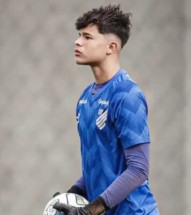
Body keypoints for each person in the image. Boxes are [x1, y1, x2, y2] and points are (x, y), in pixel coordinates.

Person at [53, 4, 159, 215]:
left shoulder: (127, 96)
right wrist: (73, 194)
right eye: (79, 36)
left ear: (111, 47)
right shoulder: (85, 98)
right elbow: (100, 165)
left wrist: (92, 209)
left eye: (87, 37)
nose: (77, 42)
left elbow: (138, 170)